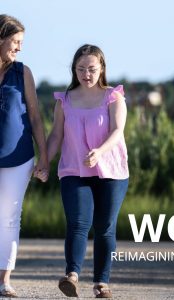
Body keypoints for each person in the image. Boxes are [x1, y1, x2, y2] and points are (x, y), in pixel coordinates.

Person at [47, 44, 129, 298]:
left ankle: (101, 283)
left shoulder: (113, 96)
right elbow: (56, 135)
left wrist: (100, 151)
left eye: (92, 69)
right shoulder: (65, 100)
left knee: (105, 227)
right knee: (78, 223)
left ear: (102, 68)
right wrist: (44, 162)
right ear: (74, 70)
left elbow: (117, 131)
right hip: (74, 169)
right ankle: (72, 275)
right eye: (81, 69)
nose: (86, 74)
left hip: (111, 171)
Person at [0, 14, 48, 298]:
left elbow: (35, 117)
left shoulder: (23, 72)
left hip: (18, 157)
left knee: (9, 217)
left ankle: (4, 279)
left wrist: (43, 157)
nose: (19, 47)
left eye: (21, 42)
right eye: (15, 41)